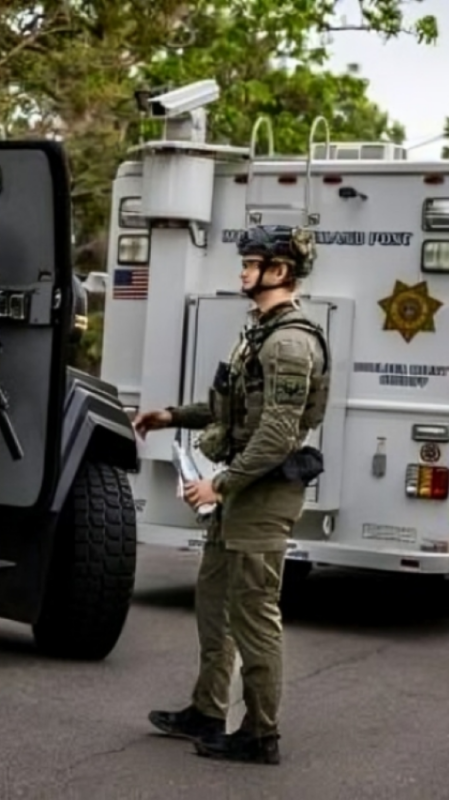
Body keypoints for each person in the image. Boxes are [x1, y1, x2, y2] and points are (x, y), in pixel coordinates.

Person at [133, 223, 330, 765]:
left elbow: (276, 435)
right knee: (215, 604)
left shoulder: (290, 343)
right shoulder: (260, 332)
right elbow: (233, 410)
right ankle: (207, 709)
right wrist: (172, 415)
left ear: (280, 271)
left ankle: (260, 734)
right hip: (241, 493)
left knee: (254, 612)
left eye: (252, 263)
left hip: (260, 497)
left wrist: (217, 485)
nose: (243, 270)